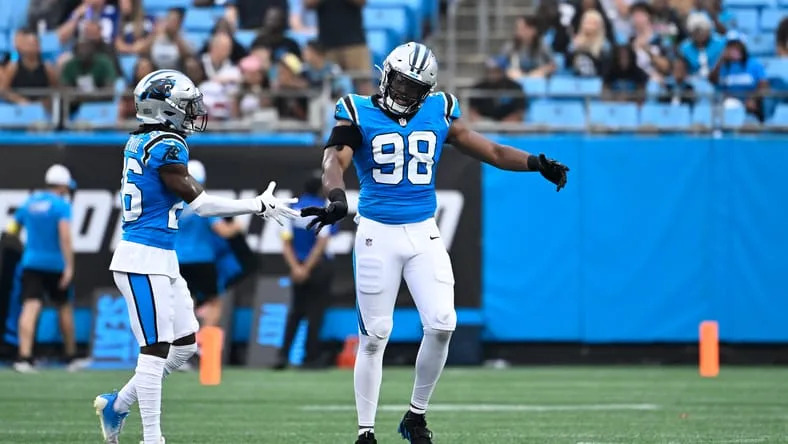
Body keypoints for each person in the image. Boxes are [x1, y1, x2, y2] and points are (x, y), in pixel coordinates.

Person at [302, 42, 569, 444]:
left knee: (444, 323)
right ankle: (365, 431)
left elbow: (492, 149)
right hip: (377, 231)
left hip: (423, 230)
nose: (406, 94)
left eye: (415, 88)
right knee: (375, 334)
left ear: (426, 91)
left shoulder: (439, 109)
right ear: (386, 75)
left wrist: (534, 162)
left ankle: (415, 416)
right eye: (402, 84)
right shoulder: (356, 109)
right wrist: (337, 197)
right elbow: (334, 160)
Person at [92, 68, 299, 444]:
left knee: (184, 345)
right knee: (154, 351)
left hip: (162, 256)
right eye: (186, 106)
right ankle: (152, 439)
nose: (192, 113)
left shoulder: (141, 141)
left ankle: (117, 404)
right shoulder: (166, 145)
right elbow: (201, 206)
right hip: (142, 257)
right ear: (165, 109)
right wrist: (256, 204)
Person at [7, 165, 77, 373]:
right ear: (63, 185)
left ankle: (24, 358)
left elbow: (12, 230)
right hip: (55, 264)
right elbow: (65, 236)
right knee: (63, 306)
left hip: (32, 262)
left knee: (30, 307)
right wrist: (69, 266)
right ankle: (70, 357)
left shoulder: (29, 203)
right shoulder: (61, 206)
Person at [275, 174, 334, 370]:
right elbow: (322, 242)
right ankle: (310, 357)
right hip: (318, 267)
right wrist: (308, 267)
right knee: (315, 313)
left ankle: (282, 355)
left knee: (296, 312)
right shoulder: (323, 210)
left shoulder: (291, 209)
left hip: (297, 265)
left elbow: (285, 242)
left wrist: (296, 268)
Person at [175, 160, 244, 327]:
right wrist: (238, 227)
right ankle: (204, 345)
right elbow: (223, 230)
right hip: (203, 260)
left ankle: (186, 342)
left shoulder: (172, 203)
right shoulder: (202, 202)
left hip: (176, 260)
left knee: (184, 303)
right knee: (214, 303)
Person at [306, 0, 371, 94]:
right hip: (327, 44)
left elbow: (361, 2)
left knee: (363, 85)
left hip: (354, 42)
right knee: (328, 86)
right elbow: (308, 4)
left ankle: (366, 109)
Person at [710, 32, 768, 121]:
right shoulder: (723, 66)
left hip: (751, 110)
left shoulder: (754, 64)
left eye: (736, 45)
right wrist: (721, 59)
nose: (733, 49)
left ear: (743, 46)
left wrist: (754, 99)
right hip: (729, 108)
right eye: (730, 46)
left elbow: (764, 86)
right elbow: (711, 80)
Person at [1, 30, 58, 104]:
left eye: (35, 44)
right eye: (29, 44)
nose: (32, 47)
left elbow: (55, 90)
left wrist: (44, 102)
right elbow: (3, 90)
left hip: (41, 108)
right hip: (18, 109)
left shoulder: (47, 67)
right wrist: (18, 100)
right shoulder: (13, 66)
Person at [468, 57, 527, 122]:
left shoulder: (515, 87)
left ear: (503, 71)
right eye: (489, 70)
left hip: (509, 126)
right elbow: (472, 111)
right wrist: (481, 122)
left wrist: (504, 125)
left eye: (496, 70)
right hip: (484, 125)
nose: (492, 74)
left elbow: (519, 112)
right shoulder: (478, 87)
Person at [499, 15, 556, 80]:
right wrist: (509, 71)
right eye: (518, 28)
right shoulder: (510, 46)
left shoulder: (542, 45)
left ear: (533, 30)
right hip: (515, 82)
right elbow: (500, 65)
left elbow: (553, 65)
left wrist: (541, 71)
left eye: (523, 29)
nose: (519, 32)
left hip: (538, 82)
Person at [628, 2, 670, 81]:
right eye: (634, 15)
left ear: (648, 16)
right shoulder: (630, 40)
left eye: (640, 15)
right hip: (637, 81)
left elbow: (666, 66)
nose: (637, 19)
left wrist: (647, 50)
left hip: (657, 79)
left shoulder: (659, 38)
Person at [679, 12, 725, 79]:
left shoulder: (720, 43)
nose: (699, 33)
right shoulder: (685, 47)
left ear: (708, 29)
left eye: (702, 29)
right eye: (696, 30)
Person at [568, 10, 613, 77]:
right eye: (587, 22)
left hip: (597, 78)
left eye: (593, 23)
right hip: (577, 79)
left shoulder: (605, 45)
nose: (589, 26)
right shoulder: (575, 42)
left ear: (599, 26)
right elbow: (567, 63)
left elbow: (606, 68)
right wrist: (575, 47)